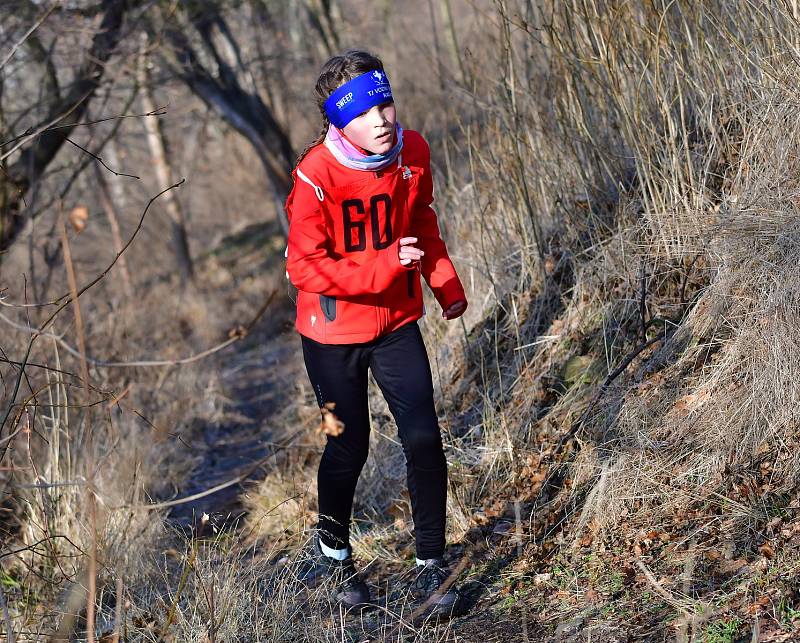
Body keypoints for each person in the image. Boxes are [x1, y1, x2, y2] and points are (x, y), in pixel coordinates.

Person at [284, 50, 468, 616]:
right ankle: (334, 557)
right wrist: (384, 265)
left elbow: (422, 220)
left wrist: (445, 281)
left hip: (396, 324)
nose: (382, 119)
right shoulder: (315, 174)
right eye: (365, 113)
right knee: (349, 444)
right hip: (331, 335)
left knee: (423, 438)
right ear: (340, 122)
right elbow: (302, 266)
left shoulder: (413, 152)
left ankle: (431, 567)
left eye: (385, 103)